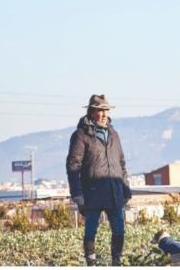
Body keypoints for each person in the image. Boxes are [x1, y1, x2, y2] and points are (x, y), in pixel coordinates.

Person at [66, 94, 132, 266]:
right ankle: (91, 264)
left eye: (106, 111)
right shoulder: (81, 135)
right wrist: (77, 192)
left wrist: (125, 189)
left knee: (119, 230)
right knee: (91, 231)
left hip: (114, 191)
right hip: (92, 193)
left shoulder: (113, 134)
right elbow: (73, 165)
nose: (104, 115)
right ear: (91, 112)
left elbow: (121, 163)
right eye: (100, 111)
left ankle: (117, 263)